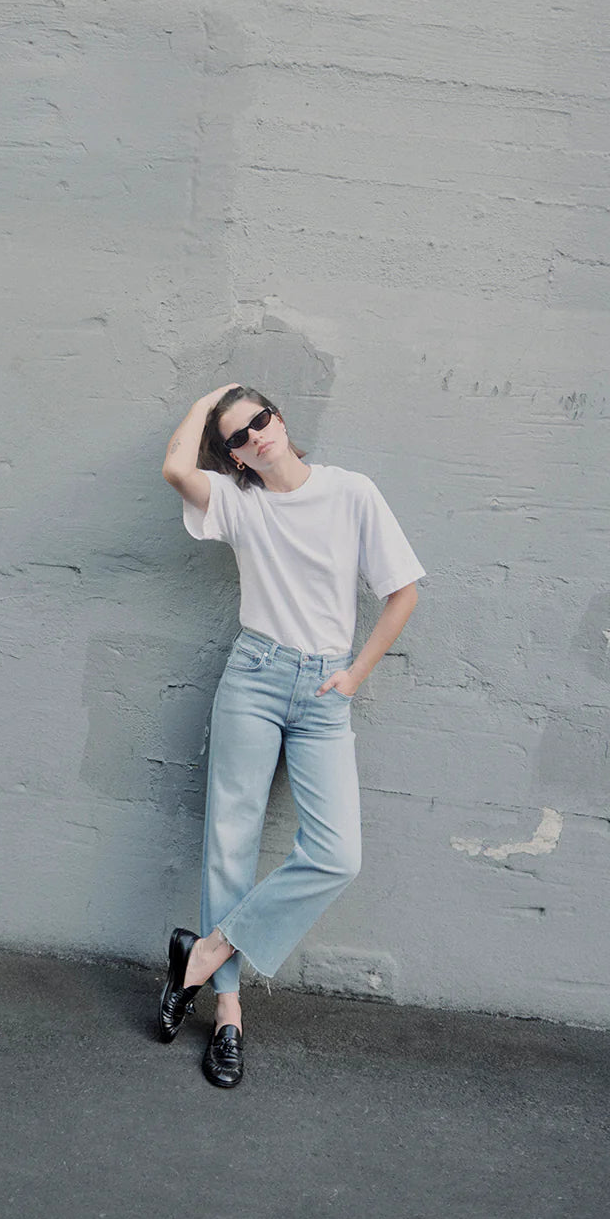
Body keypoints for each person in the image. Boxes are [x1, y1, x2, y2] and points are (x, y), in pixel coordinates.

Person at [158, 384, 425, 1087]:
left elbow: (404, 591)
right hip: (253, 675)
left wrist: (355, 675)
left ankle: (203, 952)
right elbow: (176, 470)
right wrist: (206, 402)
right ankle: (228, 1015)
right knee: (230, 842)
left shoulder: (351, 493)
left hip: (325, 687)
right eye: (238, 438)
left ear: (282, 418)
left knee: (338, 853)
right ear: (236, 458)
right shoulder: (239, 503)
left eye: (260, 420)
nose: (255, 437)